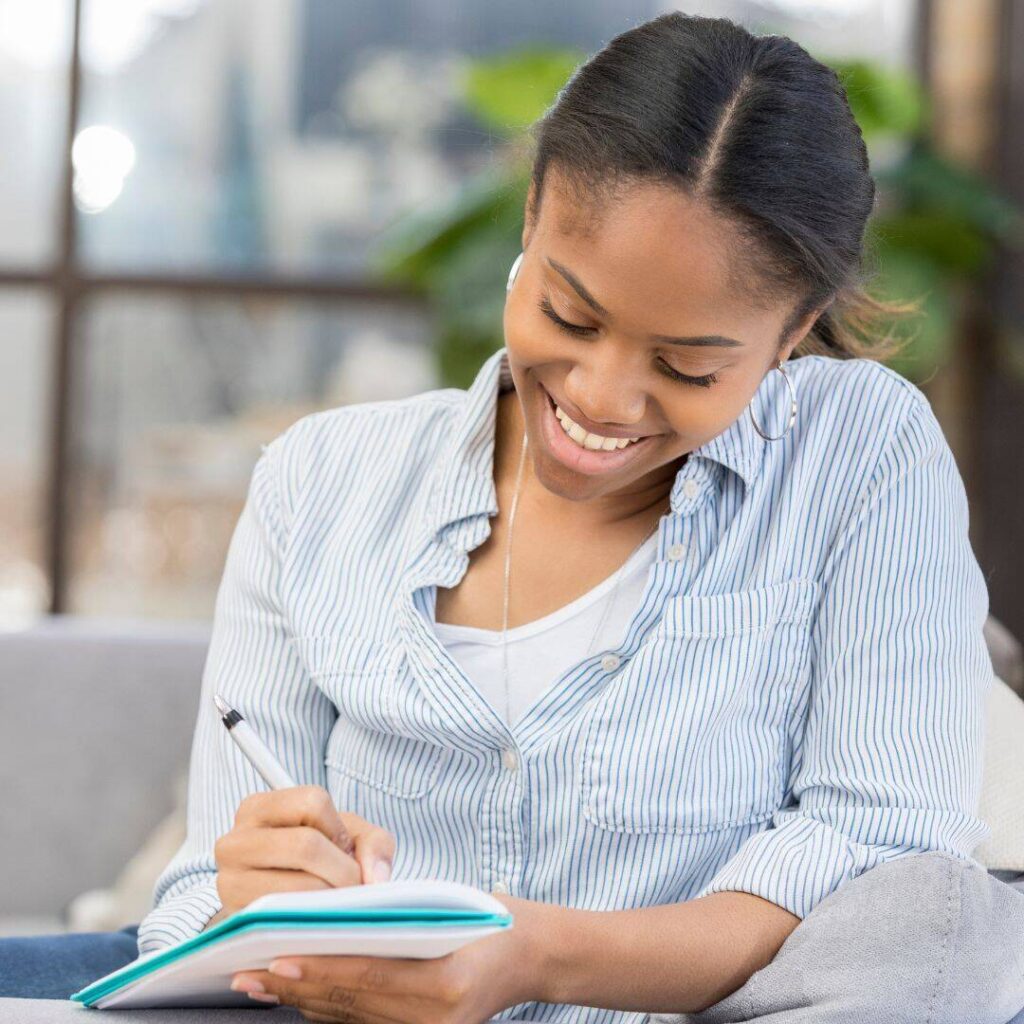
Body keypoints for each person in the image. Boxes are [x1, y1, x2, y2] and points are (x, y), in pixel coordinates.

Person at [4, 11, 1024, 1023]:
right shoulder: (320, 481)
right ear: (531, 216)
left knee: (947, 923)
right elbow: (187, 919)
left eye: (687, 366)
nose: (601, 401)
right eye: (569, 315)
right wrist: (257, 898)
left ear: (794, 330)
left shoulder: (856, 450)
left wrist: (537, 956)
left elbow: (877, 858)